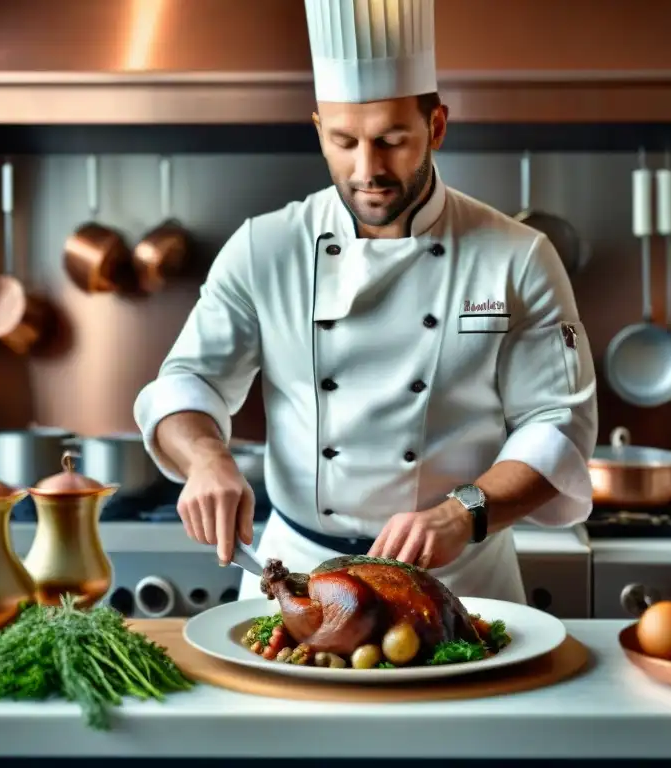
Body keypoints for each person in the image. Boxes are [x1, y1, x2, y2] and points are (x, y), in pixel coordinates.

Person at [134, 0, 598, 604]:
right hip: (295, 579)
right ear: (318, 129)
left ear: (435, 128)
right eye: (344, 141)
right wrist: (204, 459)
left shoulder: (518, 256)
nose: (367, 170)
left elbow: (557, 426)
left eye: (391, 140)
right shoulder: (265, 247)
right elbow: (187, 383)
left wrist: (463, 512)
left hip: (458, 582)